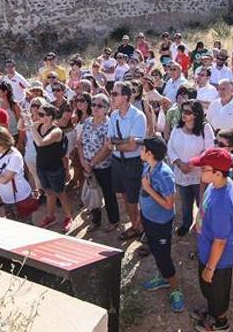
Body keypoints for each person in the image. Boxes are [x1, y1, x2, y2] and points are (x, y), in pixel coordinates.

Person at [188, 148, 233, 332]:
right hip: (207, 249)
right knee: (208, 286)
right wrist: (198, 222)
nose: (200, 171)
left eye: (204, 169)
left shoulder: (222, 202)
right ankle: (211, 309)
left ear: (217, 173)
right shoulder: (217, 184)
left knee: (217, 290)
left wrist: (210, 267)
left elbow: (220, 241)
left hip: (218, 258)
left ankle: (220, 321)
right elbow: (204, 207)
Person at [138, 136, 185, 312]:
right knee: (157, 253)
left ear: (150, 153)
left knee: (164, 257)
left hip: (160, 224)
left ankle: (175, 289)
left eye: (142, 149)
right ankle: (164, 278)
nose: (140, 151)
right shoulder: (148, 166)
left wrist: (149, 189)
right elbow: (143, 191)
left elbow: (168, 204)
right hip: (149, 219)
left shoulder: (164, 174)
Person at [167, 100, 214, 236]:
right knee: (185, 201)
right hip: (181, 172)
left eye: (188, 112)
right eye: (183, 111)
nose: (184, 114)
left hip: (200, 175)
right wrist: (180, 164)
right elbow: (170, 147)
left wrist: (192, 164)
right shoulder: (177, 128)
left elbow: (208, 151)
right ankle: (186, 223)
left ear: (196, 114)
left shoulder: (205, 129)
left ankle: (205, 226)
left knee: (202, 202)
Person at [108, 81, 147, 242]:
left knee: (136, 198)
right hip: (118, 162)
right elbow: (110, 141)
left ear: (125, 97)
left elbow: (132, 146)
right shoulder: (114, 115)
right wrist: (120, 144)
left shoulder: (138, 116)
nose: (112, 96)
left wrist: (117, 146)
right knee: (124, 195)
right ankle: (135, 226)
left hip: (133, 163)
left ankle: (143, 228)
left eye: (115, 94)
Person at [77, 93, 120, 231]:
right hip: (87, 165)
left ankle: (114, 221)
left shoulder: (109, 124)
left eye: (100, 105)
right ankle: (96, 221)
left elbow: (106, 149)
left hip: (103, 166)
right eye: (94, 104)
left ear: (107, 108)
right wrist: (83, 161)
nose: (96, 108)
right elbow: (80, 143)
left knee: (108, 194)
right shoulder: (88, 121)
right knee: (92, 192)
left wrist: (91, 164)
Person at [30, 103, 73, 231]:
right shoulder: (39, 126)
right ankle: (50, 216)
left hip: (55, 168)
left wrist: (32, 127)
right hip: (41, 166)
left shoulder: (56, 131)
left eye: (41, 114)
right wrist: (24, 119)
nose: (37, 116)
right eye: (38, 113)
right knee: (48, 192)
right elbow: (21, 127)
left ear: (49, 117)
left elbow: (41, 143)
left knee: (60, 193)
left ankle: (68, 217)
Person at [0, 126, 35, 221]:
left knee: (24, 227)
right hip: (7, 199)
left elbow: (4, 180)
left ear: (3, 142)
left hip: (20, 199)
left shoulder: (15, 156)